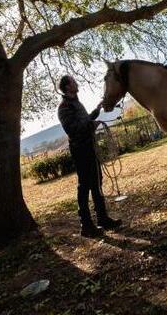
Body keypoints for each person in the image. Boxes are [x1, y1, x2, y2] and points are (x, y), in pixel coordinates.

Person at [57, 75, 122, 237]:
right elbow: (73, 129)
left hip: (89, 148)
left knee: (97, 182)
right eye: (73, 82)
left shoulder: (77, 103)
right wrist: (91, 124)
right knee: (84, 185)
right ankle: (86, 225)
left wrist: (97, 110)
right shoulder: (64, 107)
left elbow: (85, 120)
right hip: (80, 150)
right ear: (66, 87)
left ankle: (102, 219)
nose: (76, 83)